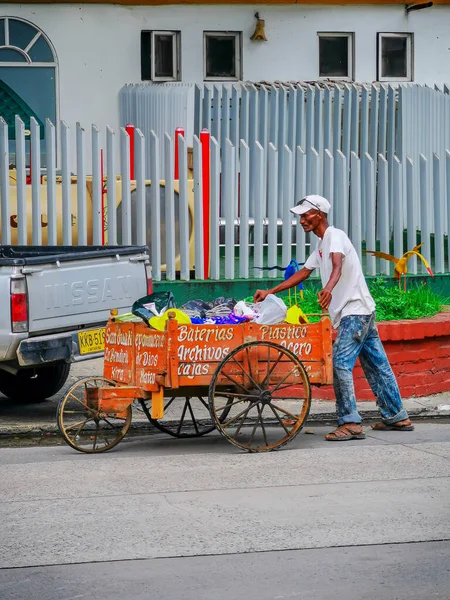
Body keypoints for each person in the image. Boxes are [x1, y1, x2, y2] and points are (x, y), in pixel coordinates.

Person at [254, 194, 414, 441]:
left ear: (319, 214)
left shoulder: (335, 236)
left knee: (340, 363)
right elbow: (303, 274)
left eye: (306, 215)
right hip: (362, 311)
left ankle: (350, 423)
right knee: (377, 365)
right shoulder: (319, 246)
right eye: (300, 216)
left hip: (354, 312)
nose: (302, 220)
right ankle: (397, 416)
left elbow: (337, 265)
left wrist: (328, 289)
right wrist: (270, 292)